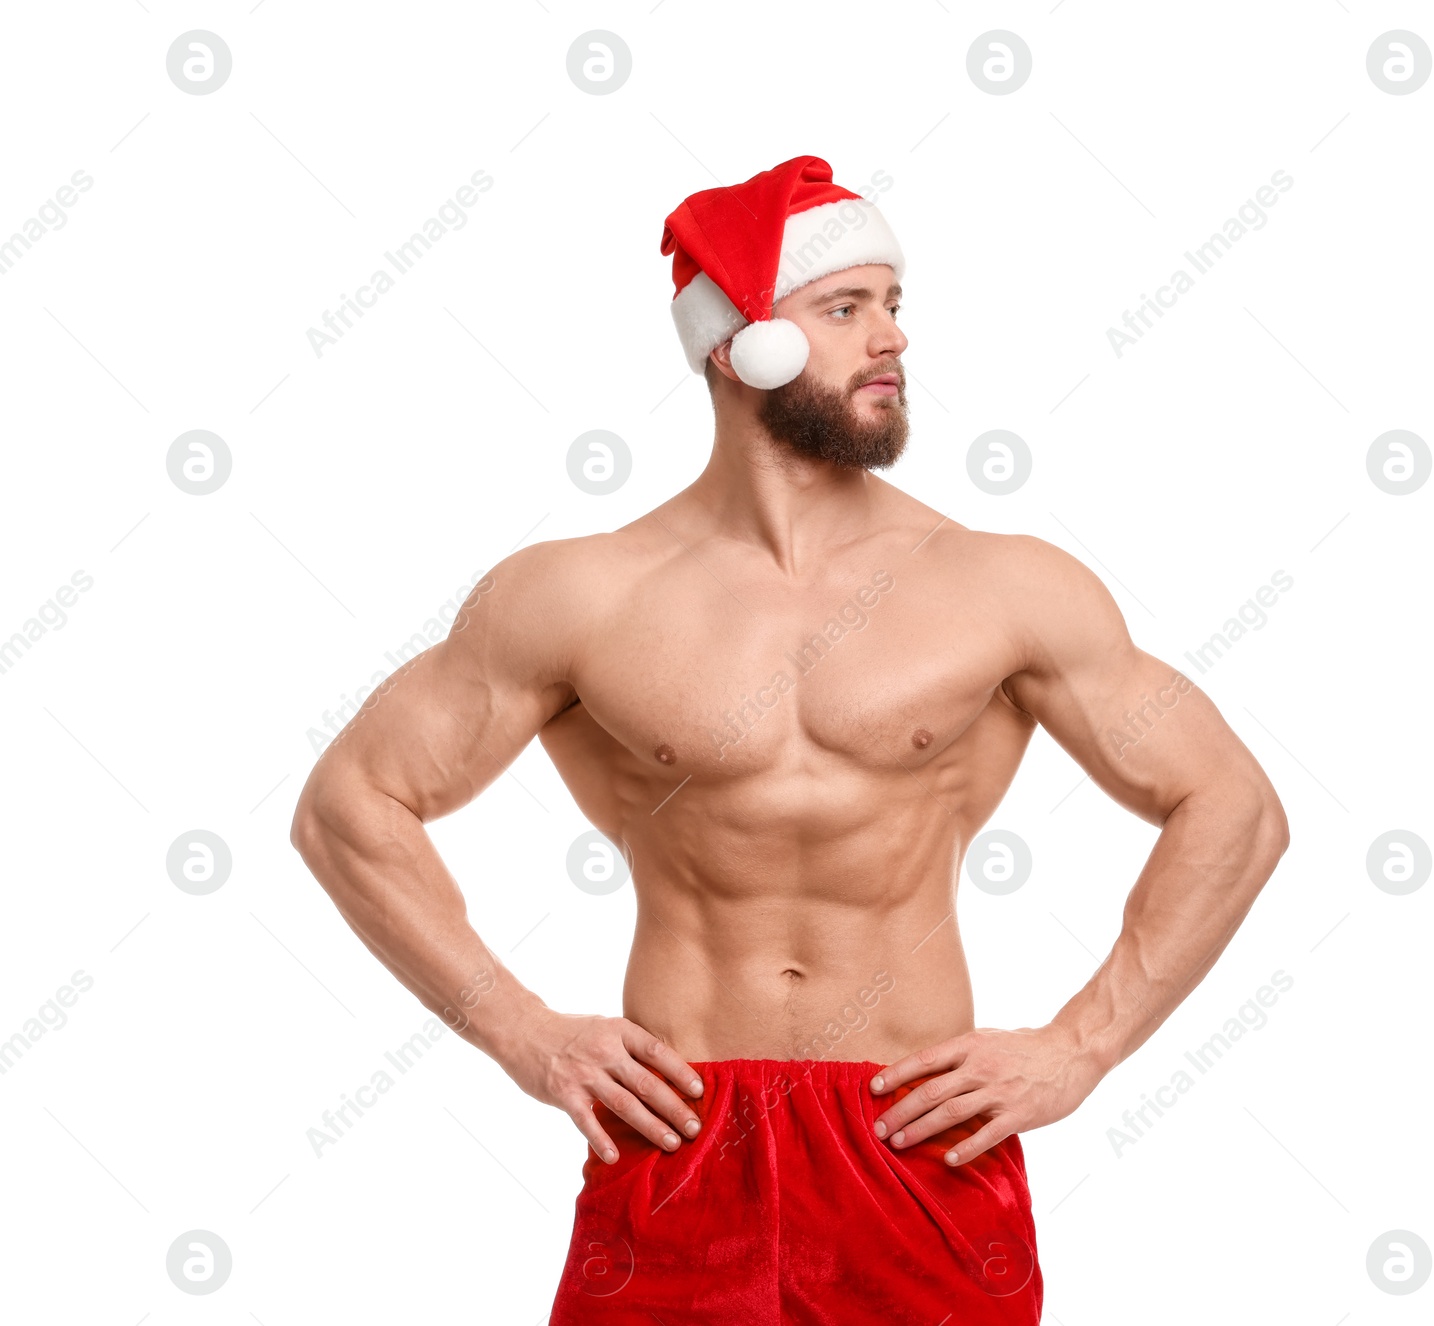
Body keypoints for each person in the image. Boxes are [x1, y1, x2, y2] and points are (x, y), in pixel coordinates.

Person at [289, 155, 1290, 1324]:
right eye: (844, 308)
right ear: (738, 345)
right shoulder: (581, 593)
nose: (891, 341)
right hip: (677, 1132)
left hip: (915, 1130)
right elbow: (349, 805)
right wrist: (526, 1034)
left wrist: (1079, 1049)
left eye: (894, 305)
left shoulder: (1001, 584)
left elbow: (1232, 806)